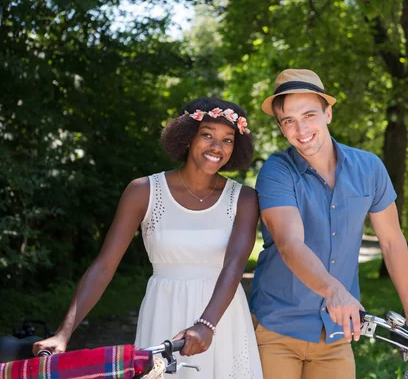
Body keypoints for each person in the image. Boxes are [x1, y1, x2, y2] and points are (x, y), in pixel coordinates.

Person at [34, 97, 263, 379]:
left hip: (222, 318)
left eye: (228, 140)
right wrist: (63, 334)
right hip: (163, 311)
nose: (217, 146)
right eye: (207, 135)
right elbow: (104, 266)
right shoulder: (143, 191)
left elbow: (235, 264)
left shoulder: (244, 198)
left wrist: (206, 325)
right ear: (187, 136)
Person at [249, 69, 408, 379]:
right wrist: (335, 290)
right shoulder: (276, 172)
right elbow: (289, 243)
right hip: (277, 329)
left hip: (337, 335)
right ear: (282, 127)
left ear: (328, 113)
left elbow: (391, 241)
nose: (301, 129)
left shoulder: (369, 168)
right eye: (289, 121)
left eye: (309, 115)